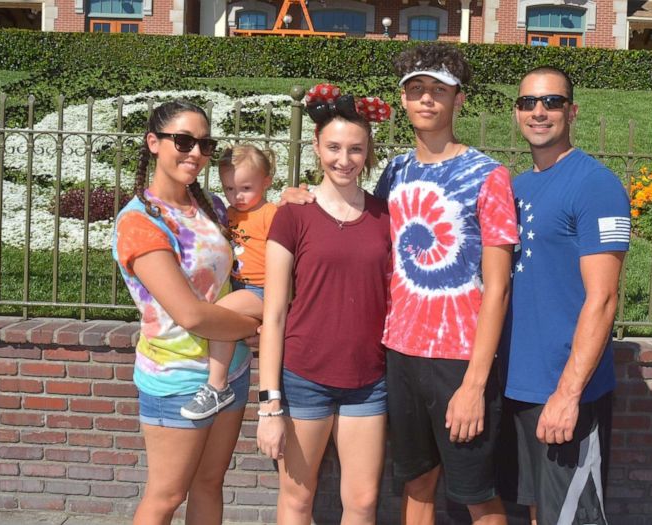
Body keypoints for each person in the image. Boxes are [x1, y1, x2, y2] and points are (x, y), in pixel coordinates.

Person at [280, 45, 517, 525]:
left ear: (459, 100)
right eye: (416, 90)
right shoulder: (395, 172)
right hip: (399, 354)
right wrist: (298, 195)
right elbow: (353, 220)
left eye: (438, 90)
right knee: (417, 483)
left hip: (460, 359)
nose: (426, 99)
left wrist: (474, 383)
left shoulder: (488, 175)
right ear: (404, 100)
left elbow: (498, 288)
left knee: (477, 493)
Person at [112, 100, 261, 524]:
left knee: (210, 484)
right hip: (176, 378)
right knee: (166, 495)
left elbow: (262, 231)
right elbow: (190, 315)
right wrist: (258, 322)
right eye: (183, 141)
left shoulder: (211, 205)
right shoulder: (139, 222)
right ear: (153, 143)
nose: (195, 153)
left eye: (204, 143)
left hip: (229, 370)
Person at [498, 67, 630, 525]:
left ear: (572, 110)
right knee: (538, 512)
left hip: (565, 389)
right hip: (518, 385)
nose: (539, 111)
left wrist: (568, 393)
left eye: (552, 102)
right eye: (528, 102)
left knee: (572, 516)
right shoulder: (516, 186)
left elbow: (604, 299)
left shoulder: (596, 184)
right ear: (516, 112)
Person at [256, 83, 393, 524]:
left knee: (363, 502)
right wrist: (269, 404)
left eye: (355, 149)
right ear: (316, 146)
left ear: (368, 151)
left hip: (368, 379)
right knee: (297, 500)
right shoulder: (293, 214)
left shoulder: (385, 216)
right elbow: (274, 315)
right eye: (333, 147)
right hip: (304, 378)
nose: (344, 159)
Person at [180, 143, 277, 420]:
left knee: (219, 314)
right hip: (240, 286)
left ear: (266, 182)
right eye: (230, 189)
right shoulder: (227, 213)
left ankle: (217, 385)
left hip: (262, 290)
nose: (237, 196)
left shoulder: (271, 214)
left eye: (246, 188)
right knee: (222, 316)